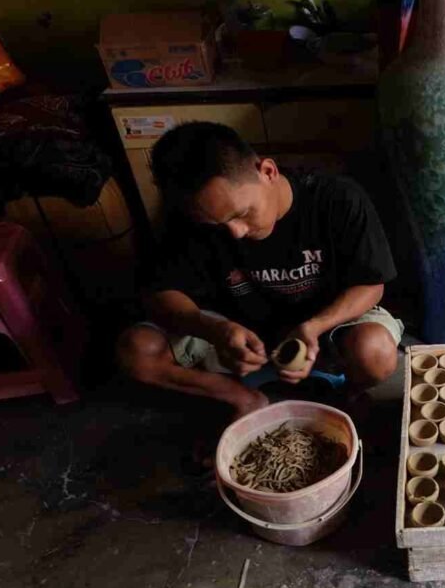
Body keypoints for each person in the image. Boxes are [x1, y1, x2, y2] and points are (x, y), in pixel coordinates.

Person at [116, 122, 403, 418]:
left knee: (375, 353)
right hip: (236, 329)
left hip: (325, 326)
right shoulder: (189, 216)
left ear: (267, 171)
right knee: (137, 351)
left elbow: (371, 284)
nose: (237, 232)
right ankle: (242, 399)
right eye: (217, 224)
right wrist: (213, 329)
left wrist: (315, 326)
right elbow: (161, 293)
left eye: (241, 213)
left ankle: (347, 396)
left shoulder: (337, 198)